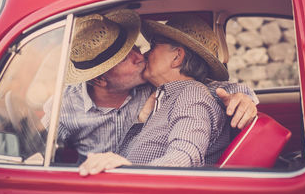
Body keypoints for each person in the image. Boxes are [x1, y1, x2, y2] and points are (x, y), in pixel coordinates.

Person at [42, 9, 258, 162]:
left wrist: (240, 96)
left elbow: (200, 91)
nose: (141, 55)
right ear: (99, 79)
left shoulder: (184, 92)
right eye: (126, 57)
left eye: (141, 47)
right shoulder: (65, 105)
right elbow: (37, 147)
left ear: (177, 58)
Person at [78, 15, 245, 175]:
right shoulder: (165, 97)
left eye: (153, 46)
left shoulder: (192, 95)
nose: (144, 55)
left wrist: (129, 172)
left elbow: (184, 159)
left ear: (177, 57)